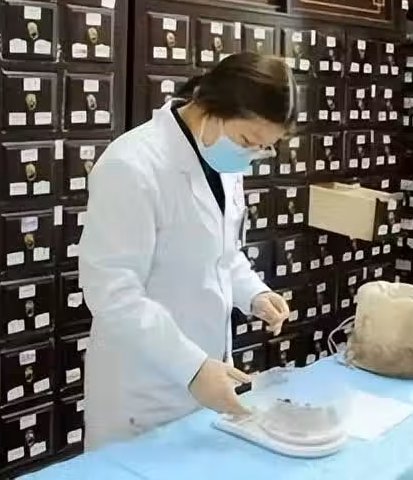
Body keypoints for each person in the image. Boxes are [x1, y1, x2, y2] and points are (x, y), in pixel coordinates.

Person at [79, 52, 296, 451]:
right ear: (213, 107)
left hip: (206, 382)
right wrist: (191, 368)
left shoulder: (223, 160)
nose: (250, 156)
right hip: (142, 395)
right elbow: (113, 294)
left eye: (263, 148)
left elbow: (222, 254)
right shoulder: (132, 166)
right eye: (248, 141)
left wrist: (254, 293)